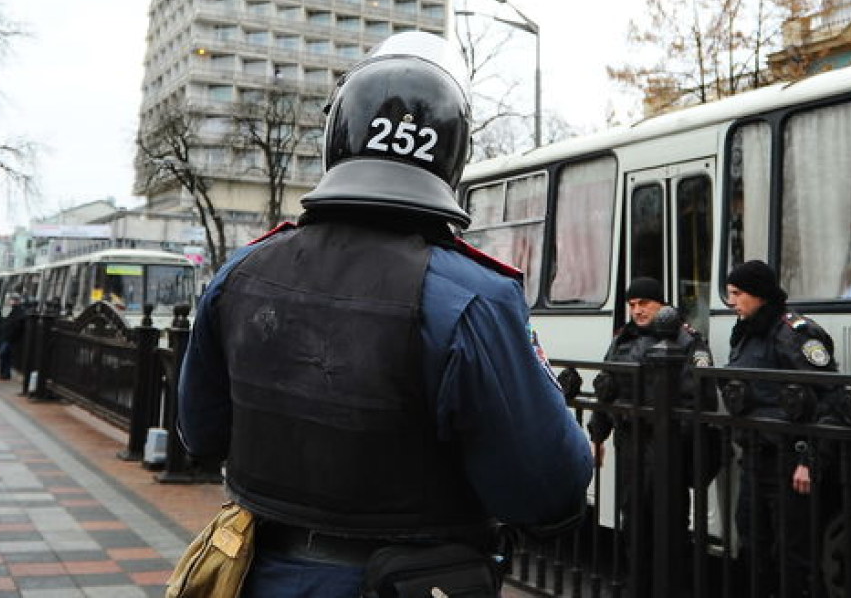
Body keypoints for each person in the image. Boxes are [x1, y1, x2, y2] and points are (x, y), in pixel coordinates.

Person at [178, 31, 593, 598]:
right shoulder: (472, 297)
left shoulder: (241, 272)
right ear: (452, 155)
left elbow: (199, 433)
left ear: (336, 139)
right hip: (409, 582)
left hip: (258, 574)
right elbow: (548, 491)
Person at [586, 276, 715, 598]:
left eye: (644, 303)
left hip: (666, 448)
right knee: (633, 523)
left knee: (669, 526)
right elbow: (606, 388)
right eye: (632, 305)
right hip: (630, 444)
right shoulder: (623, 339)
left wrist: (673, 443)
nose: (638, 310)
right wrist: (597, 436)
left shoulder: (687, 341)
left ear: (662, 305)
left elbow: (698, 399)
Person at [725, 260, 840, 598]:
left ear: (759, 295)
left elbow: (830, 399)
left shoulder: (794, 334)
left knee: (794, 551)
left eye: (737, 293)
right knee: (751, 539)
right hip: (755, 457)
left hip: (790, 461)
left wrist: (810, 459)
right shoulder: (747, 331)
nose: (731, 301)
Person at [0, 293, 26, 380]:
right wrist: (1, 327)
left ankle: (5, 373)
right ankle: (3, 373)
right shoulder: (6, 309)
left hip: (11, 337)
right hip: (4, 335)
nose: (12, 301)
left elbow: (19, 324)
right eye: (12, 299)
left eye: (15, 300)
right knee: (4, 355)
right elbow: (0, 319)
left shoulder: (20, 311)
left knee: (4, 354)